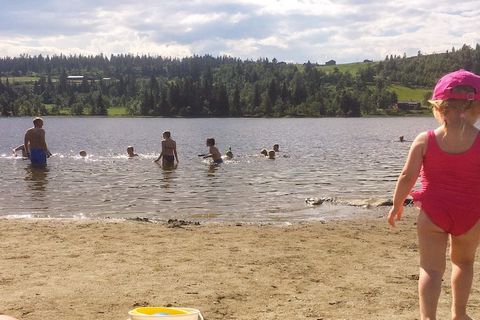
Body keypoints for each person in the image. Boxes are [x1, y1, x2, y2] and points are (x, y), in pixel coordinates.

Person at [387, 69, 480, 320]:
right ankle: (459, 314)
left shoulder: (425, 139)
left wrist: (397, 205)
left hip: (433, 215)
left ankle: (428, 317)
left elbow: (407, 176)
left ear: (439, 108)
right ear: (476, 107)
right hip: (471, 216)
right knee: (464, 263)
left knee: (430, 268)